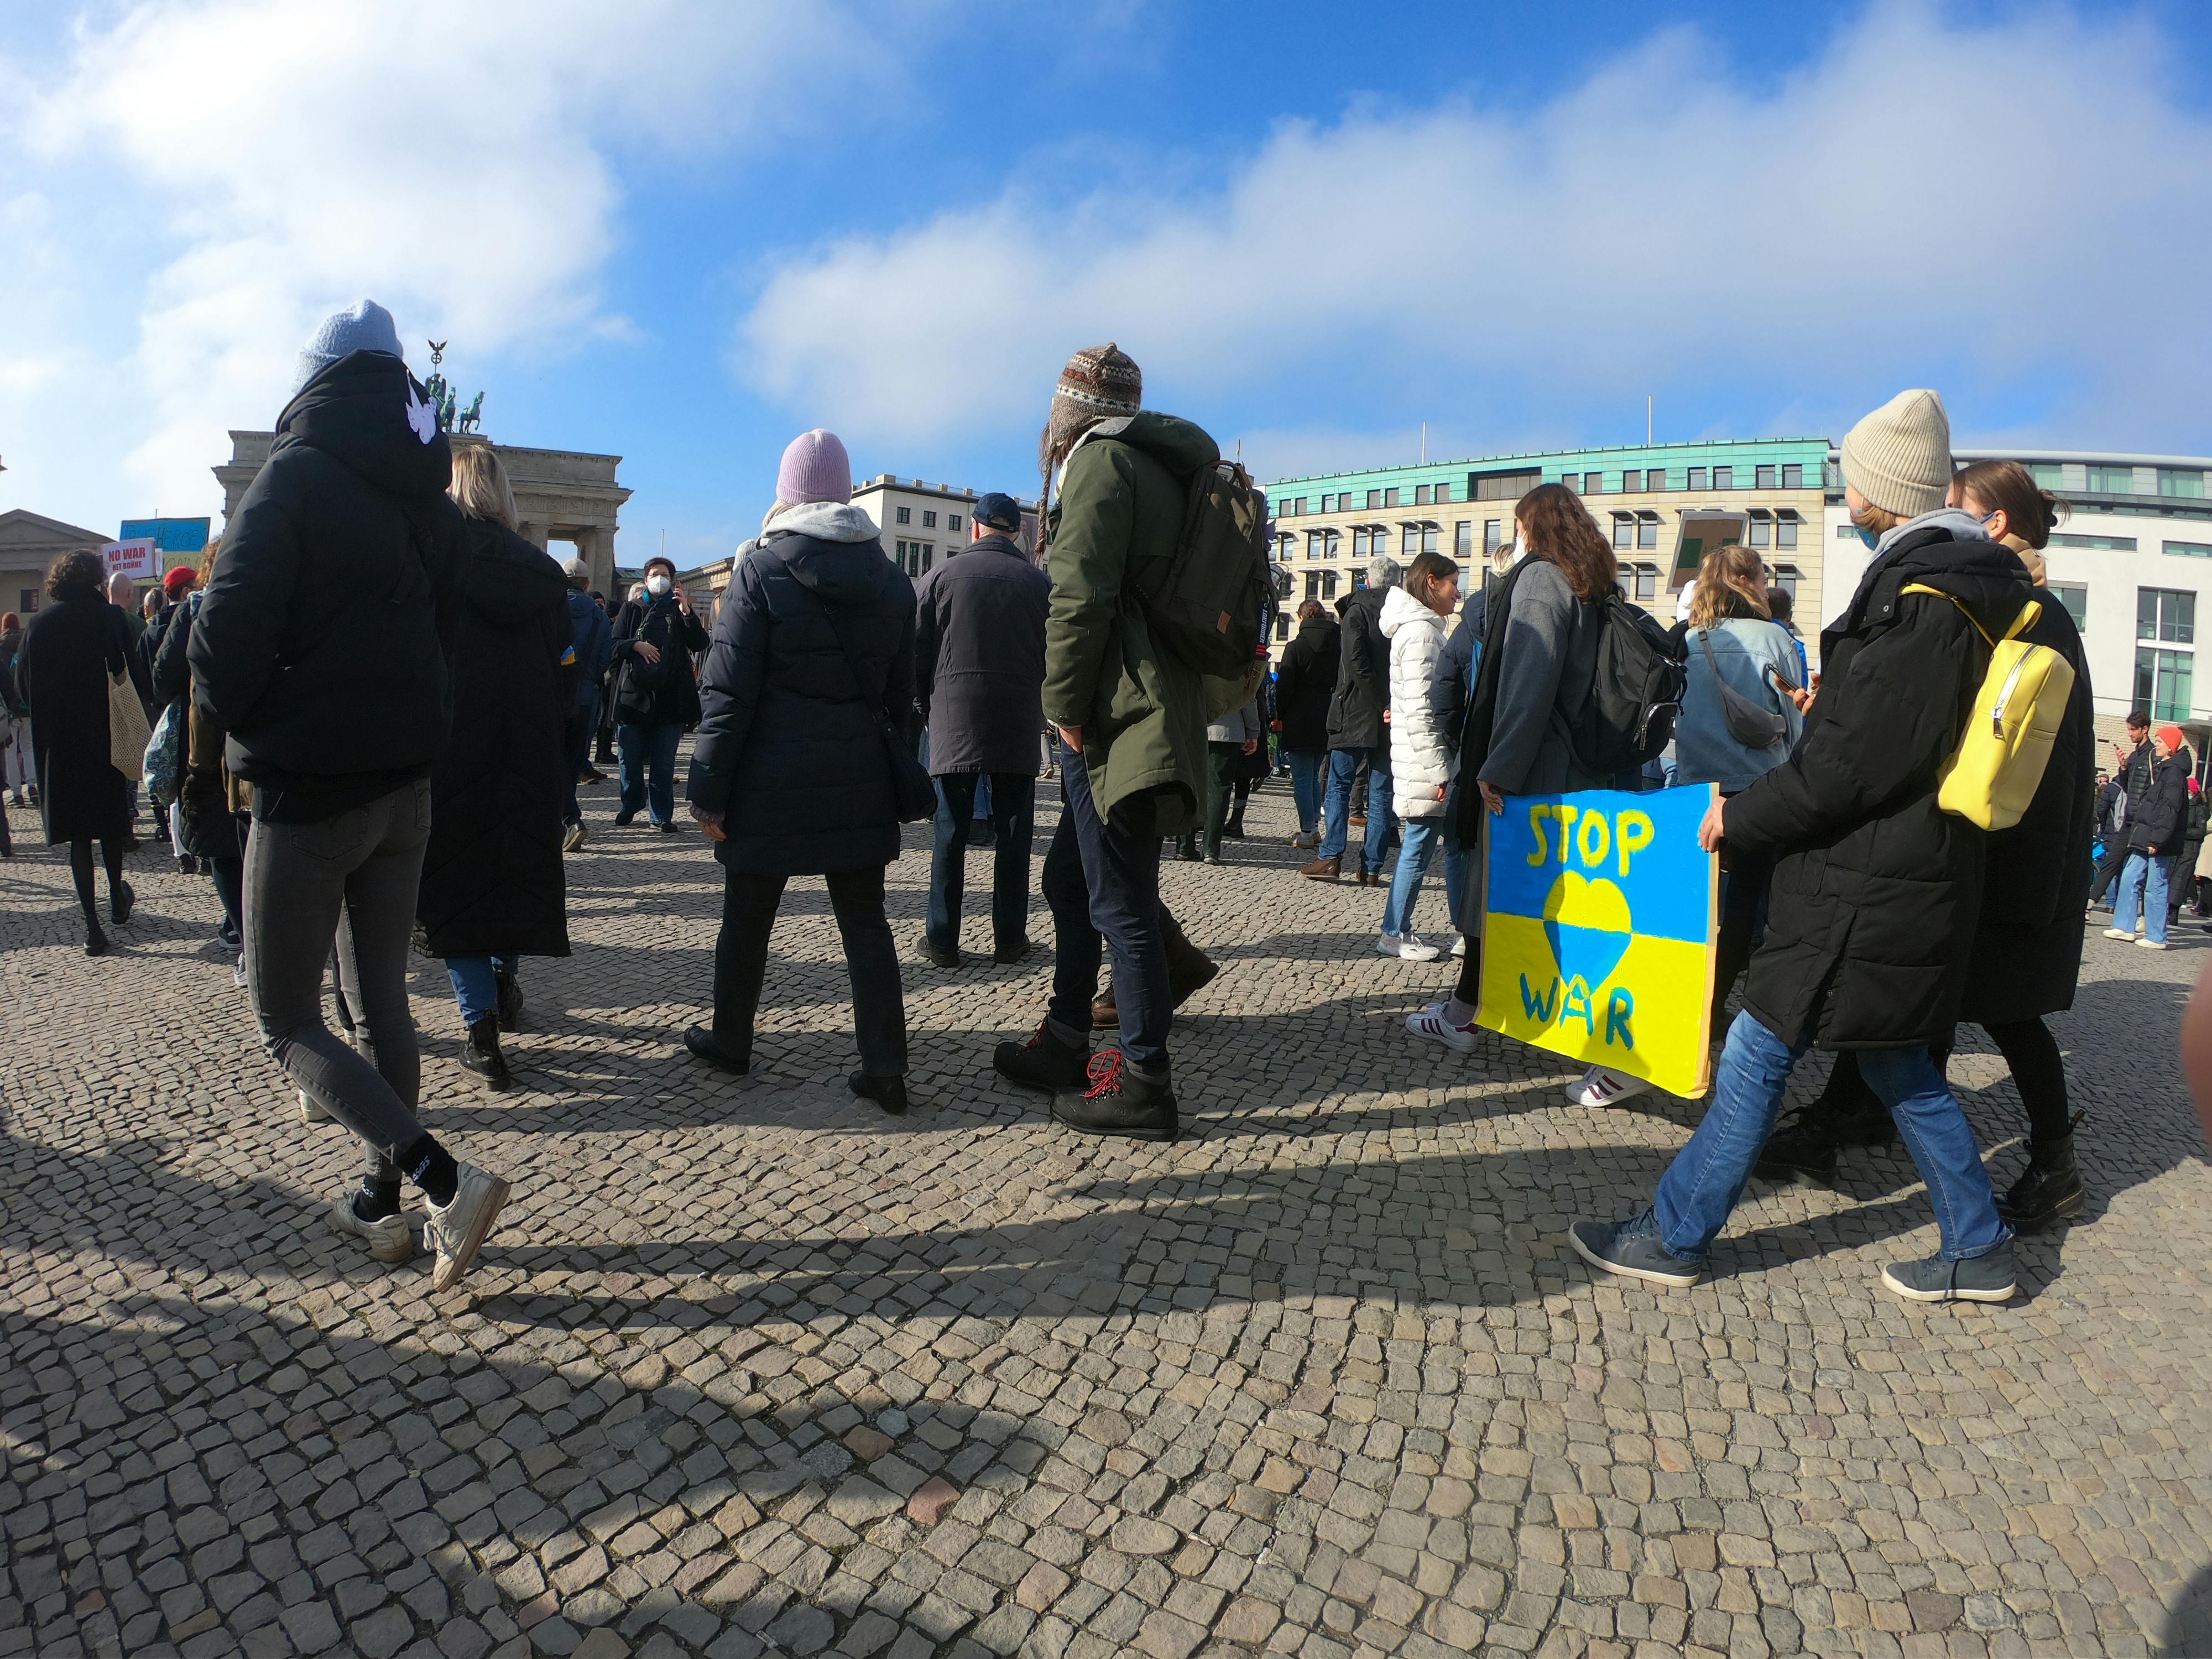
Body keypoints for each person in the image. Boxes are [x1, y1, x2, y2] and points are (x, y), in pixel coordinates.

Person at [1572, 388, 2025, 1303]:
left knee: (1758, 1048)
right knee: (1895, 1058)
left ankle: (1673, 1232)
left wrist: (1740, 818)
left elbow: (1851, 769)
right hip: (1899, 872)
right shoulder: (1958, 588)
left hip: (1864, 879)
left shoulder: (1925, 595)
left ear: (1878, 490)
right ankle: (1977, 1241)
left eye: (1853, 480)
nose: (1847, 496)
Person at [191, 299, 512, 1290]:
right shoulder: (427, 487)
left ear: (313, 379)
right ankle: (383, 1207)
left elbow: (220, 651)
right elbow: (452, 627)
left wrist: (261, 719)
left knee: (285, 1018)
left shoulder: (292, 479)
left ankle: (441, 1178)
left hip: (310, 790)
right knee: (382, 1006)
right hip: (406, 785)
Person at [990, 343, 1213, 1140]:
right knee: (1071, 882)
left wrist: (1064, 709)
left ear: (1067, 412)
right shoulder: (1162, 468)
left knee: (1117, 901)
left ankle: (1146, 1083)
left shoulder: (1099, 465)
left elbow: (1078, 598)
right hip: (1153, 704)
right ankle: (1065, 1036)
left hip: (1118, 717)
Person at [685, 429, 915, 1114]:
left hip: (767, 780)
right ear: (846, 495)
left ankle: (732, 1038)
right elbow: (903, 698)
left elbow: (727, 694)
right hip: (857, 778)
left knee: (747, 918)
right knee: (866, 925)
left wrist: (707, 793)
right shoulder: (891, 578)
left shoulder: (760, 568)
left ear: (786, 494)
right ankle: (886, 1066)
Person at [1568, 544, 1803, 1107]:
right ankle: (1716, 1016)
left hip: (1696, 792)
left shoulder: (1690, 640)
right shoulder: (1775, 639)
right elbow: (1795, 720)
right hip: (1761, 790)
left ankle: (1687, 1019)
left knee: (1694, 915)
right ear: (1750, 580)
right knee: (1745, 913)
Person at [1405, 488, 1615, 1052]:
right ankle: (1480, 1005)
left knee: (1491, 892)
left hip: (1535, 767)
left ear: (1533, 526)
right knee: (1540, 898)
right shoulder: (1588, 581)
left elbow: (1529, 677)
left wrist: (1499, 766)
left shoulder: (1543, 579)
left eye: (1520, 524)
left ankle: (1467, 1013)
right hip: (1570, 763)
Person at [416, 445, 574, 1091]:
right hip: (528, 749)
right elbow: (566, 669)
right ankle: (503, 980)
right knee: (514, 872)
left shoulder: (433, 565)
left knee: (456, 885)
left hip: (453, 752)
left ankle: (480, 1031)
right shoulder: (544, 573)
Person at [913, 491, 1050, 968]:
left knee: (949, 830)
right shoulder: (1040, 584)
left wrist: (923, 706)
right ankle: (1010, 940)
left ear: (974, 529)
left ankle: (942, 942)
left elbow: (917, 652)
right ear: (1017, 533)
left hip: (954, 719)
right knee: (1014, 835)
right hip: (1017, 717)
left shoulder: (939, 577)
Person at [18, 549, 152, 952]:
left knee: (79, 836)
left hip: (60, 744)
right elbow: (134, 673)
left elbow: (24, 689)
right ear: (95, 577)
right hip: (106, 733)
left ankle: (92, 926)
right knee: (110, 824)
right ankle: (116, 897)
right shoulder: (110, 618)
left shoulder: (39, 625)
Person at [152, 540, 247, 956]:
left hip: (207, 749)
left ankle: (248, 941)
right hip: (263, 743)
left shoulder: (194, 609)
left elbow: (161, 679)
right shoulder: (280, 599)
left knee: (224, 850)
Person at [1376, 549, 1463, 961]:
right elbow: (1425, 710)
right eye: (1452, 584)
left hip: (1420, 757)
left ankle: (1401, 930)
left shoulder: (1418, 630)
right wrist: (1440, 772)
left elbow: (1411, 703)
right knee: (1423, 845)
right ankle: (1395, 931)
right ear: (1431, 581)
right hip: (1426, 761)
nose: (1457, 593)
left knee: (1432, 845)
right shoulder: (1423, 633)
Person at [1301, 557, 1399, 883]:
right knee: (1382, 792)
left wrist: (1379, 699)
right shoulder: (1401, 614)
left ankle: (1331, 856)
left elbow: (1355, 662)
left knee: (1340, 786)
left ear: (1368, 582)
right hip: (1388, 716)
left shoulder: (1356, 611)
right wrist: (1389, 702)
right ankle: (1371, 867)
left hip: (1355, 710)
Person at [609, 555, 708, 831]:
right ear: (645, 579)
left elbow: (701, 643)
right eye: (655, 573)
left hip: (670, 699)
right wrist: (635, 645)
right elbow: (613, 645)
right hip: (635, 697)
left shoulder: (679, 613)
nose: (659, 578)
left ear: (673, 581)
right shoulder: (632, 609)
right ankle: (631, 803)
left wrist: (687, 612)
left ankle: (661, 815)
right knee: (628, 760)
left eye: (664, 574)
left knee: (663, 764)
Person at [2109, 722, 2188, 948]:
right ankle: (2124, 926)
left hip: (2157, 838)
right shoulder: (2164, 768)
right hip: (2145, 834)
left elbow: (2169, 809)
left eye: (2161, 741)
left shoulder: (2174, 772)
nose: (2158, 745)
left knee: (2156, 885)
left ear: (2171, 747)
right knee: (2130, 877)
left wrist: (2158, 839)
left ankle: (2157, 936)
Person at [1272, 599, 1338, 848]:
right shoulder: (1336, 647)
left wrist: (1279, 714)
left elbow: (1285, 685)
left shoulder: (1296, 647)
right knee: (1313, 776)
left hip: (1299, 717)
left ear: (1302, 618)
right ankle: (1315, 828)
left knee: (1302, 777)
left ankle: (1307, 831)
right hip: (1325, 716)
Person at [560, 557, 613, 852]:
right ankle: (568, 817)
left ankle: (570, 819)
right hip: (586, 698)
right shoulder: (600, 617)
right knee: (573, 761)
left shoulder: (552, 608)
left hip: (555, 694)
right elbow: (605, 659)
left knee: (551, 759)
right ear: (588, 584)